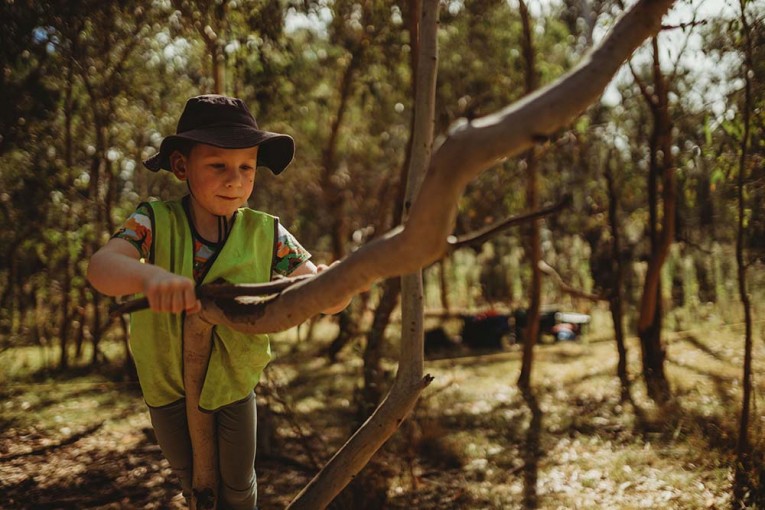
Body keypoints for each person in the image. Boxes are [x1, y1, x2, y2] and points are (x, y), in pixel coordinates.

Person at [87, 94, 348, 509]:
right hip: (166, 382)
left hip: (233, 380)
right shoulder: (153, 220)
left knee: (239, 485)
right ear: (180, 166)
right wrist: (150, 276)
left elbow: (316, 293)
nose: (235, 179)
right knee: (193, 483)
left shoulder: (269, 233)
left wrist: (333, 286)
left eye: (246, 167)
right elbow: (101, 267)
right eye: (218, 166)